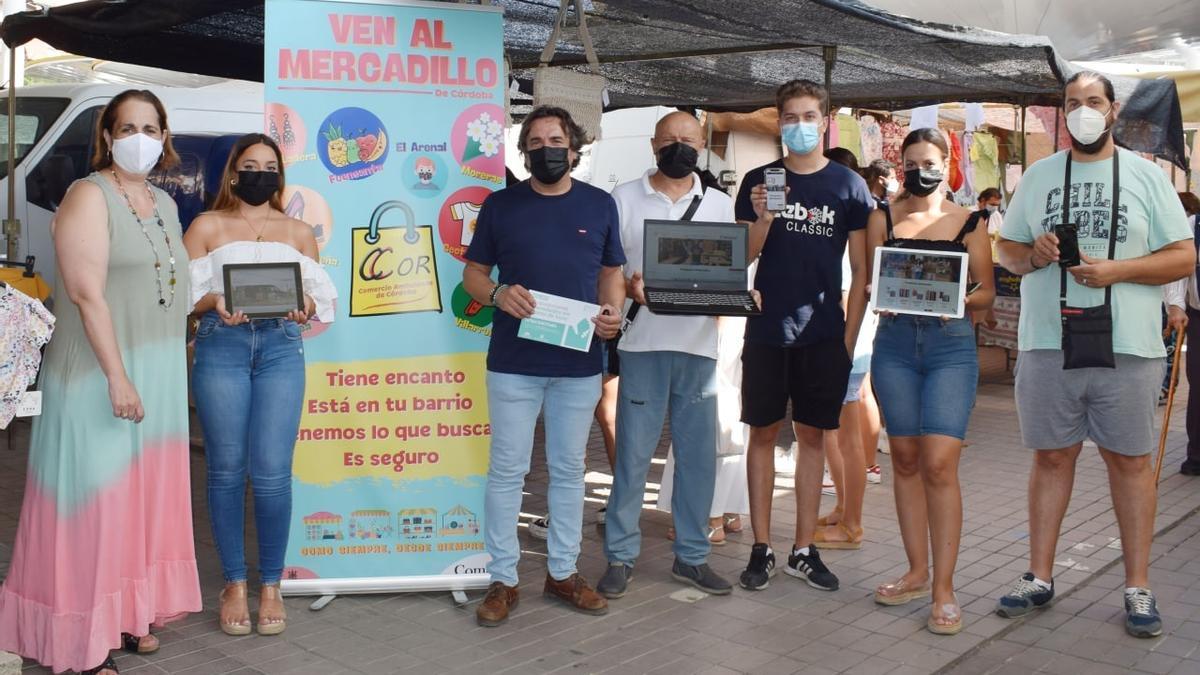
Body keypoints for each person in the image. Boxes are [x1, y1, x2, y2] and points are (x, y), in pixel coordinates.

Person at [0, 89, 202, 675]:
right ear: (107, 137)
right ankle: (78, 643)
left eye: (151, 127)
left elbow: (169, 287)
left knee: (134, 508)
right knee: (92, 511)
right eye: (127, 127)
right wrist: (118, 378)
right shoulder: (87, 196)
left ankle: (122, 613)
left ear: (164, 137)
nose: (140, 137)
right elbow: (87, 294)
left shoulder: (163, 203)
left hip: (155, 376)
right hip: (97, 376)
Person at [994, 72, 1194, 639]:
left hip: (1128, 345)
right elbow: (1006, 250)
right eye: (1072, 103)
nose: (1083, 111)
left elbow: (1182, 257)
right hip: (1047, 342)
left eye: (1094, 102)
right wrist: (1032, 254)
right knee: (1052, 459)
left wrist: (1118, 271)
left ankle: (1137, 585)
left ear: (1112, 112)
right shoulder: (1037, 176)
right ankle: (1039, 576)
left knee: (1129, 463)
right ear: (1063, 112)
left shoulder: (1144, 176)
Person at [464, 105, 625, 627]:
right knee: (507, 472)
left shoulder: (600, 204)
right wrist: (495, 293)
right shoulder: (500, 205)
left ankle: (562, 573)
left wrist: (612, 315)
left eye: (556, 140)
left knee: (569, 471)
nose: (546, 148)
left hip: (578, 363)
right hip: (512, 362)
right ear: (524, 152)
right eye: (535, 142)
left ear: (574, 148)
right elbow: (472, 276)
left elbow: (611, 274)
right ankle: (503, 579)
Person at [184, 133, 336, 637]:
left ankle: (269, 583)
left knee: (272, 473)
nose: (259, 173)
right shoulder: (206, 225)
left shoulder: (298, 231)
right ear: (232, 173)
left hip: (279, 348)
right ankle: (233, 582)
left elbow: (315, 298)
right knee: (226, 470)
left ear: (280, 175)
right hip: (220, 346)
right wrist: (214, 302)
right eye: (250, 165)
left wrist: (305, 308)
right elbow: (183, 298)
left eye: (269, 166)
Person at [735, 79, 873, 592]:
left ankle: (803, 549)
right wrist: (765, 218)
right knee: (763, 435)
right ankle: (761, 547)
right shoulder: (758, 179)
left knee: (814, 437)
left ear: (825, 120)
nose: (799, 125)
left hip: (823, 335)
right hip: (768, 331)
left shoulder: (848, 186)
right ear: (779, 121)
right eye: (790, 116)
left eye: (809, 116)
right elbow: (743, 257)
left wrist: (848, 339)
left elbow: (861, 272)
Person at [597, 111, 737, 599]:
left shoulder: (719, 204)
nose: (679, 147)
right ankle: (620, 555)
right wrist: (621, 299)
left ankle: (693, 558)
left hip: (699, 348)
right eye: (670, 139)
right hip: (641, 344)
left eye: (689, 140)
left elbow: (729, 271)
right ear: (653, 144)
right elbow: (610, 268)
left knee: (699, 459)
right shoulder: (623, 198)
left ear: (702, 145)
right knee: (633, 457)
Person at [867, 128, 996, 635]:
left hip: (950, 346)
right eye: (914, 161)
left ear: (947, 164)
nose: (924, 168)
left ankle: (945, 587)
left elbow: (986, 292)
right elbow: (868, 282)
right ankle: (917, 572)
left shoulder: (970, 221)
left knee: (940, 464)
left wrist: (958, 300)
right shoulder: (883, 218)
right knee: (904, 459)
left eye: (932, 160)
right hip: (894, 344)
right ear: (903, 166)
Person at [1164, 192, 1200, 474]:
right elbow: (1179, 268)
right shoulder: (1192, 225)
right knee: (1198, 383)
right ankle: (1197, 454)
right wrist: (1175, 305)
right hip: (1198, 315)